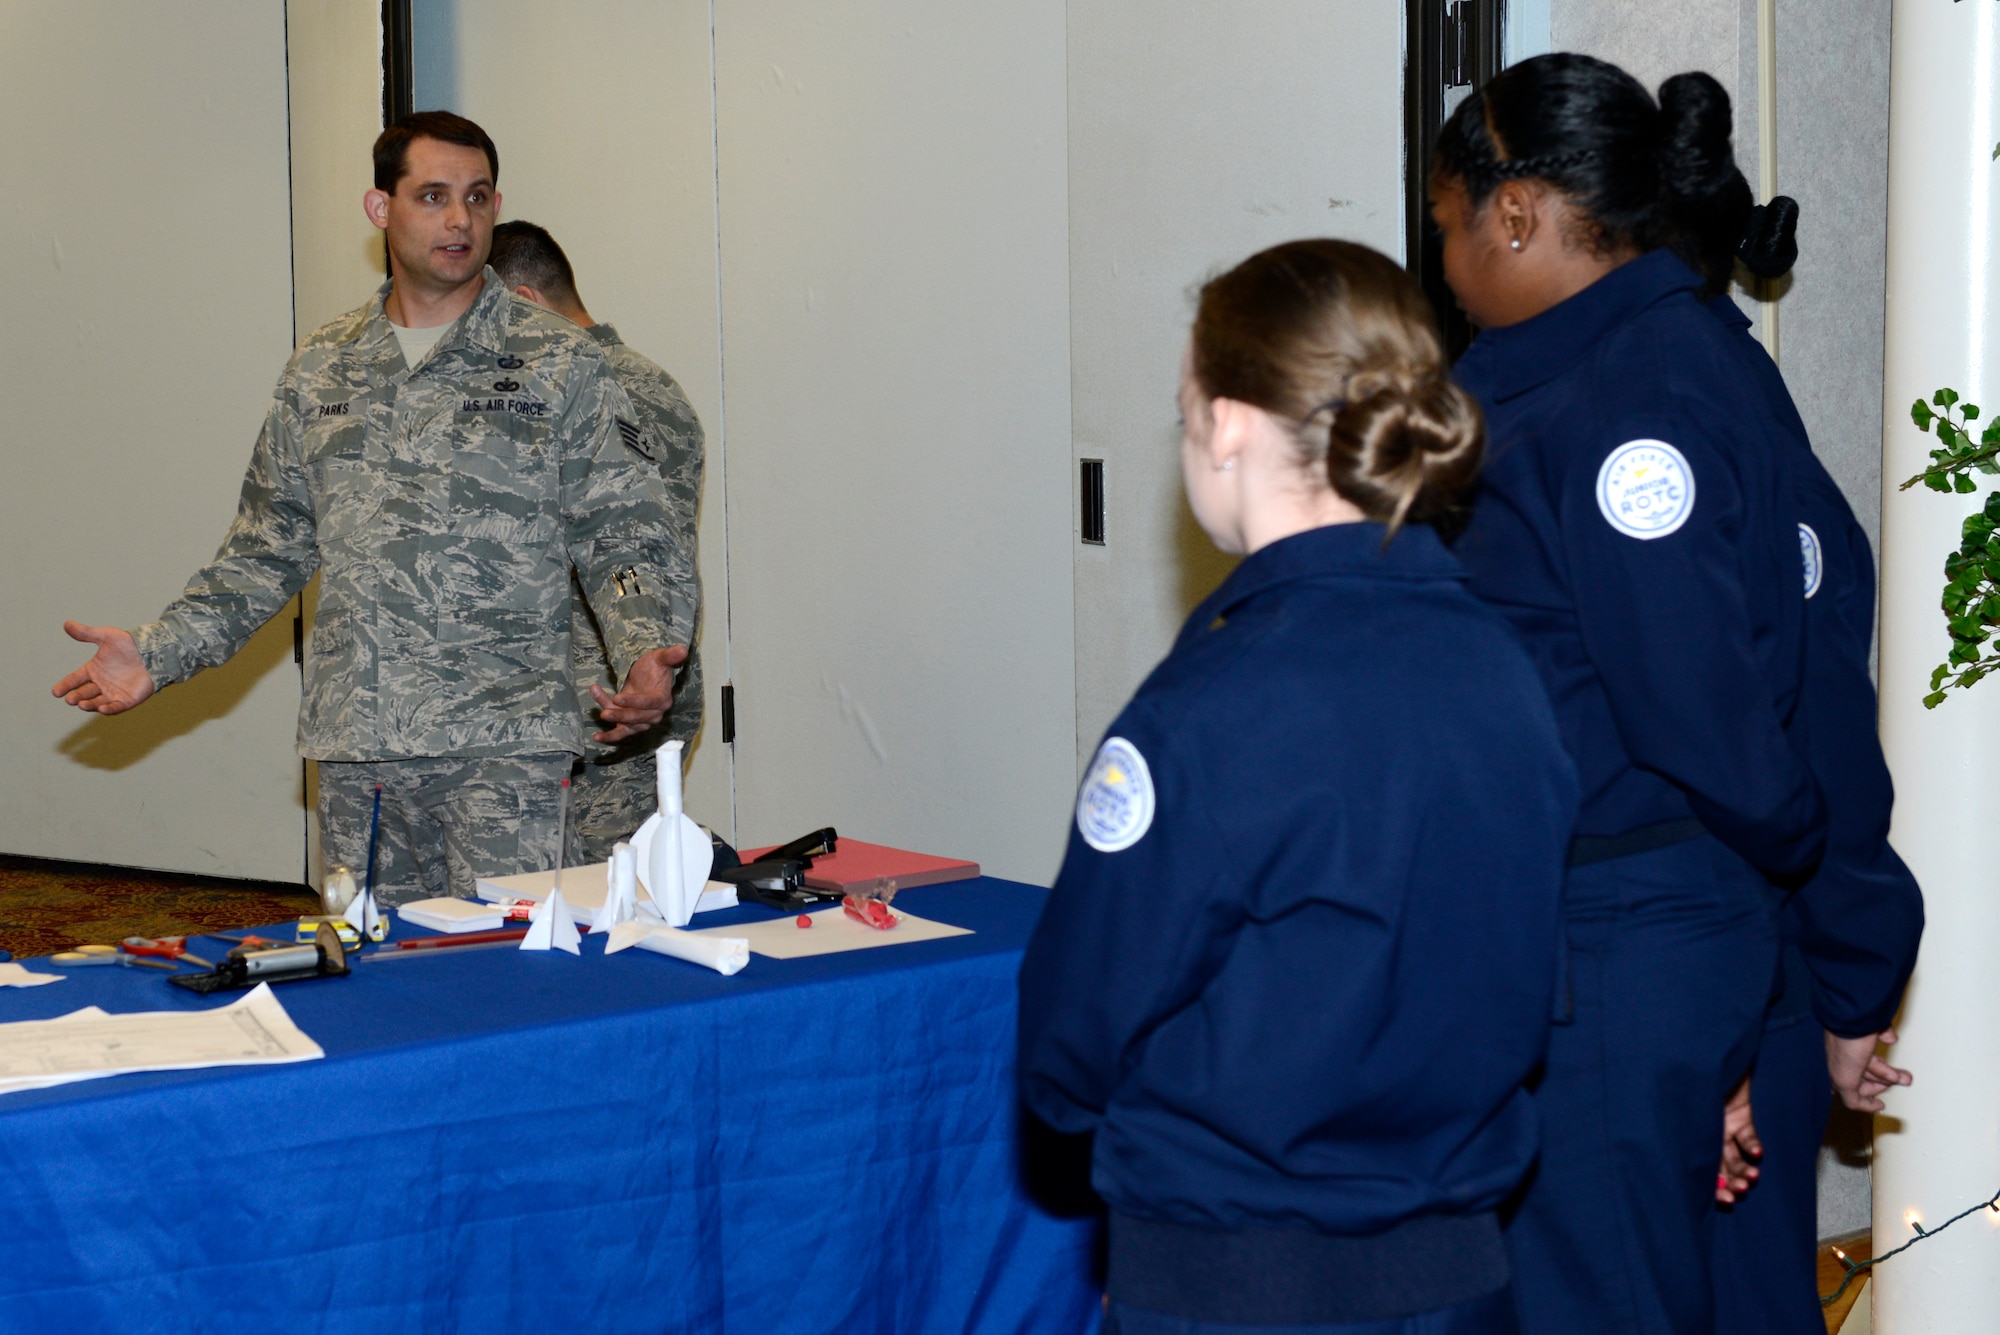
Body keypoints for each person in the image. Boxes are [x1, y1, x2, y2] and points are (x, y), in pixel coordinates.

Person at [1018, 240, 1577, 1335]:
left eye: (1183, 413)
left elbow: (1072, 1032)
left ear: (1226, 424)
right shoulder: (1502, 670)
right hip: (1462, 1279)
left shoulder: (1213, 705)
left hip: (1240, 1286)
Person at [51, 112, 695, 906]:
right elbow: (265, 547)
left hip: (505, 752)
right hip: (362, 750)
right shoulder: (322, 367)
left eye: (478, 197)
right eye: (433, 196)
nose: (459, 219)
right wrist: (159, 651)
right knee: (373, 966)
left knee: (510, 965)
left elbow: (623, 529)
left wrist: (645, 645)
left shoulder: (561, 361)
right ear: (380, 208)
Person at [1429, 56, 1829, 1334]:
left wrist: (1776, 861)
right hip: (1590, 917)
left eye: (1445, 225)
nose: (1442, 262)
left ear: (1513, 213)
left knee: (1595, 1300)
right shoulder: (1562, 368)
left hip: (1619, 921)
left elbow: (1696, 703)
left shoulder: (1626, 395)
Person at [1684, 191, 1923, 1334]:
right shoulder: (1700, 380)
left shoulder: (1681, 402)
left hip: (1711, 959)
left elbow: (1803, 723)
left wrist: (1845, 978)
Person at [488, 220, 705, 865]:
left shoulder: (591, 390)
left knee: (594, 901)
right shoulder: (651, 383)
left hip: (601, 705)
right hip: (610, 701)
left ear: (524, 303)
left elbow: (628, 550)